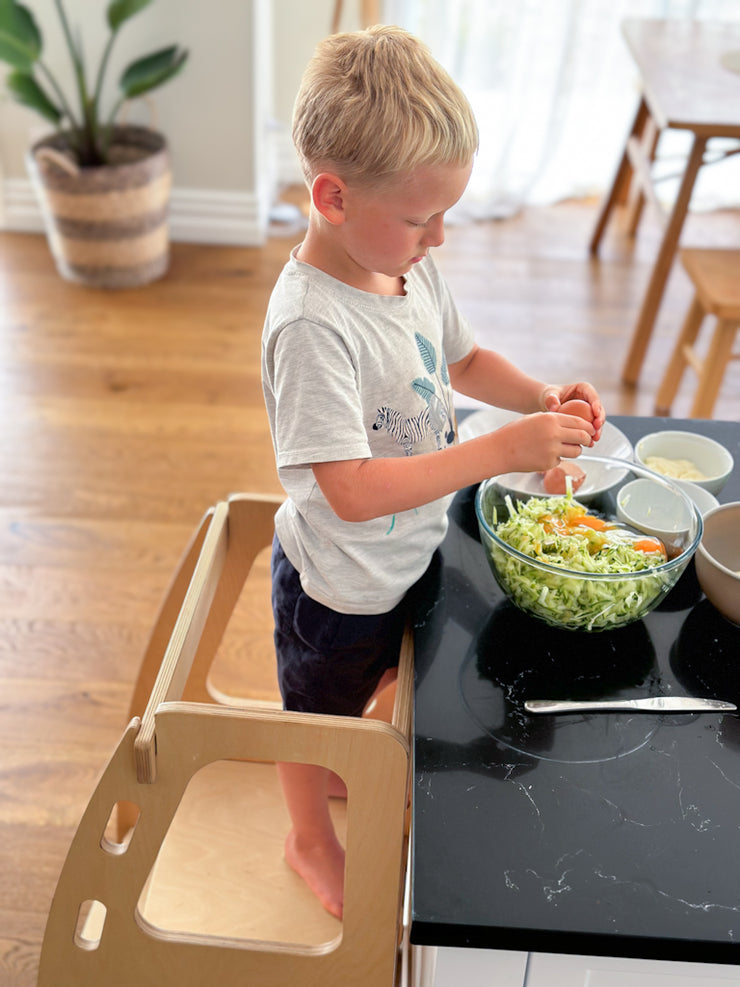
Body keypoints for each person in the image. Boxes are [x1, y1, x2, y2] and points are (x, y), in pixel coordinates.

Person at [261, 24, 605, 920]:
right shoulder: (311, 325)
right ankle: (305, 834)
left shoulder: (405, 267)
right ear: (332, 196)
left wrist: (539, 396)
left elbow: (463, 358)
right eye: (421, 217)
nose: (440, 236)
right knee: (317, 714)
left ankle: (351, 765)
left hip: (408, 557)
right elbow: (350, 489)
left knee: (390, 682)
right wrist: (498, 450)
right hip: (339, 584)